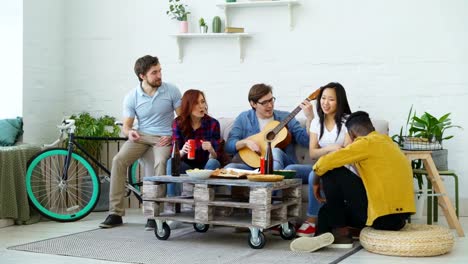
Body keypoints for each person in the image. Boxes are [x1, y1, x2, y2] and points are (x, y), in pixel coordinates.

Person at [290, 111, 416, 252]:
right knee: (326, 211)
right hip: (399, 219)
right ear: (370, 127)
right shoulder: (389, 143)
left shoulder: (365, 143)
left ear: (351, 134)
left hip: (382, 218)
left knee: (331, 170)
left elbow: (326, 162)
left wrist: (315, 183)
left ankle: (340, 233)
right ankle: (328, 233)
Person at [99, 55, 182, 229]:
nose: (159, 75)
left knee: (161, 162)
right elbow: (127, 127)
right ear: (142, 76)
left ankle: (154, 213)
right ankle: (115, 213)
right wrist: (130, 133)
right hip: (142, 136)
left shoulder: (171, 91)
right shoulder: (132, 96)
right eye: (154, 72)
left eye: (160, 71)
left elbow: (182, 119)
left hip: (164, 137)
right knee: (118, 160)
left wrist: (174, 136)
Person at [293, 82, 352, 237]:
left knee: (314, 174)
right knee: (289, 171)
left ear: (340, 101)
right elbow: (312, 153)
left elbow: (346, 152)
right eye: (323, 98)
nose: (325, 102)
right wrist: (329, 148)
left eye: (331, 99)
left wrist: (327, 152)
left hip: (338, 169)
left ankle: (312, 220)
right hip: (320, 165)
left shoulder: (347, 121)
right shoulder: (316, 122)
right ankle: (284, 218)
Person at [225, 83, 314, 171]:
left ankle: (273, 182)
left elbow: (306, 141)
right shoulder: (244, 118)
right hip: (252, 167)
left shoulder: (285, 117)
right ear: (253, 104)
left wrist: (310, 118)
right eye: (264, 103)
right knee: (229, 169)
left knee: (275, 151)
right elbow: (229, 146)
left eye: (271, 100)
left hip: (281, 165)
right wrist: (246, 142)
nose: (270, 105)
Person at [166, 89, 222, 195]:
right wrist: (182, 151)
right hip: (187, 166)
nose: (202, 106)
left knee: (213, 162)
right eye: (196, 103)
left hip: (206, 165)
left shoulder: (213, 123)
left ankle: (203, 198)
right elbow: (174, 153)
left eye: (203, 101)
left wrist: (211, 150)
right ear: (188, 106)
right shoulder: (178, 123)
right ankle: (172, 201)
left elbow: (216, 156)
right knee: (171, 162)